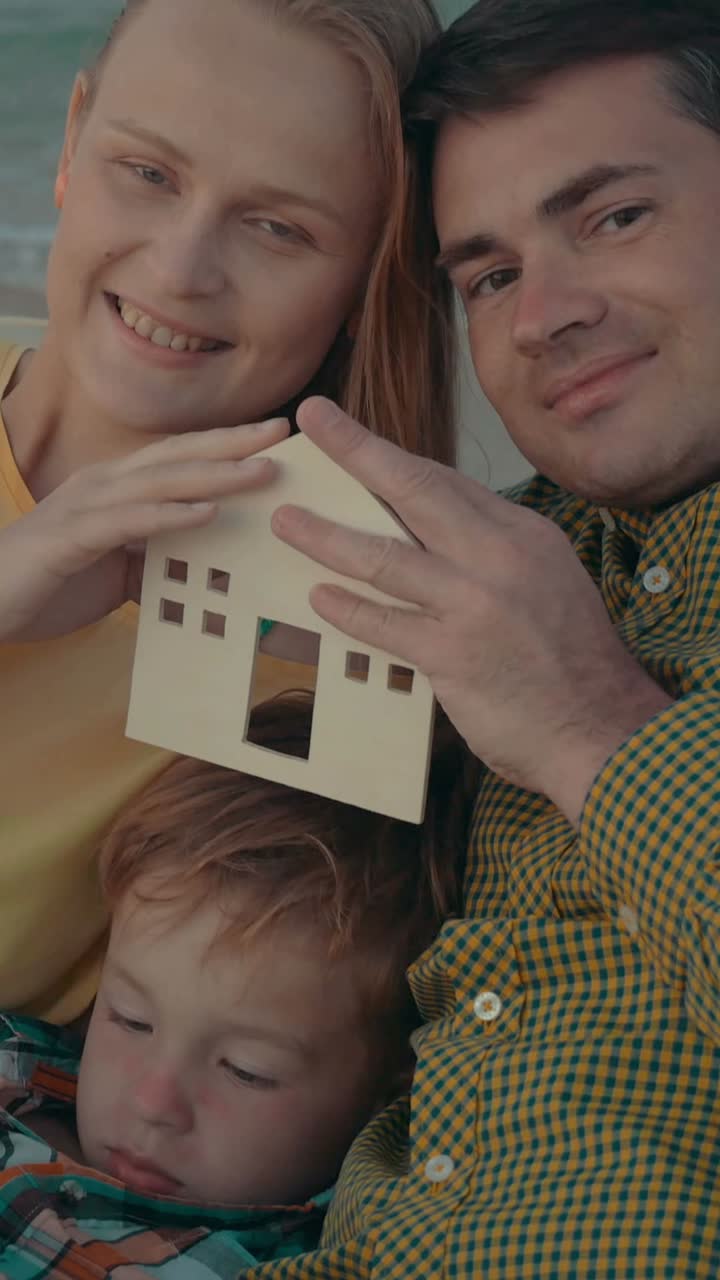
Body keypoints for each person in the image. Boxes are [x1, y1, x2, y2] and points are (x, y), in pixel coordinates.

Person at [246, 1, 720, 1275]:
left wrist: (590, 727)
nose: (541, 316)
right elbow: (229, 877)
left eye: (615, 216)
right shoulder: (473, 560)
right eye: (490, 275)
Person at [0, 0, 455, 1025]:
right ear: (73, 140)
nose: (179, 268)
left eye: (278, 227)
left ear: (368, 275)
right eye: (148, 172)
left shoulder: (334, 653)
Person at [0, 694, 473, 1275]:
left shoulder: (315, 1260)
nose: (152, 1103)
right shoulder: (14, 1060)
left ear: (387, 1088)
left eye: (247, 1070)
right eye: (129, 1017)